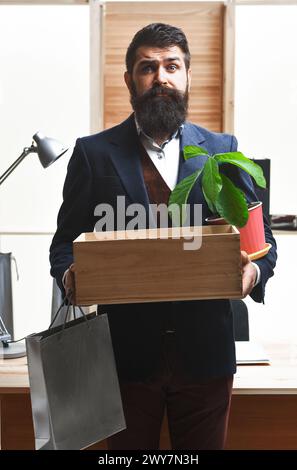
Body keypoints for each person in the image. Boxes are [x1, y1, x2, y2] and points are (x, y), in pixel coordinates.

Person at [50, 23, 277, 450]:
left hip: (206, 356)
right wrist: (69, 276)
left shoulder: (221, 150)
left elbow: (261, 241)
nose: (161, 78)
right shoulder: (93, 154)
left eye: (172, 66)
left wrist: (253, 273)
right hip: (122, 359)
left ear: (187, 75)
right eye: (147, 67)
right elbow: (63, 244)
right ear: (130, 80)